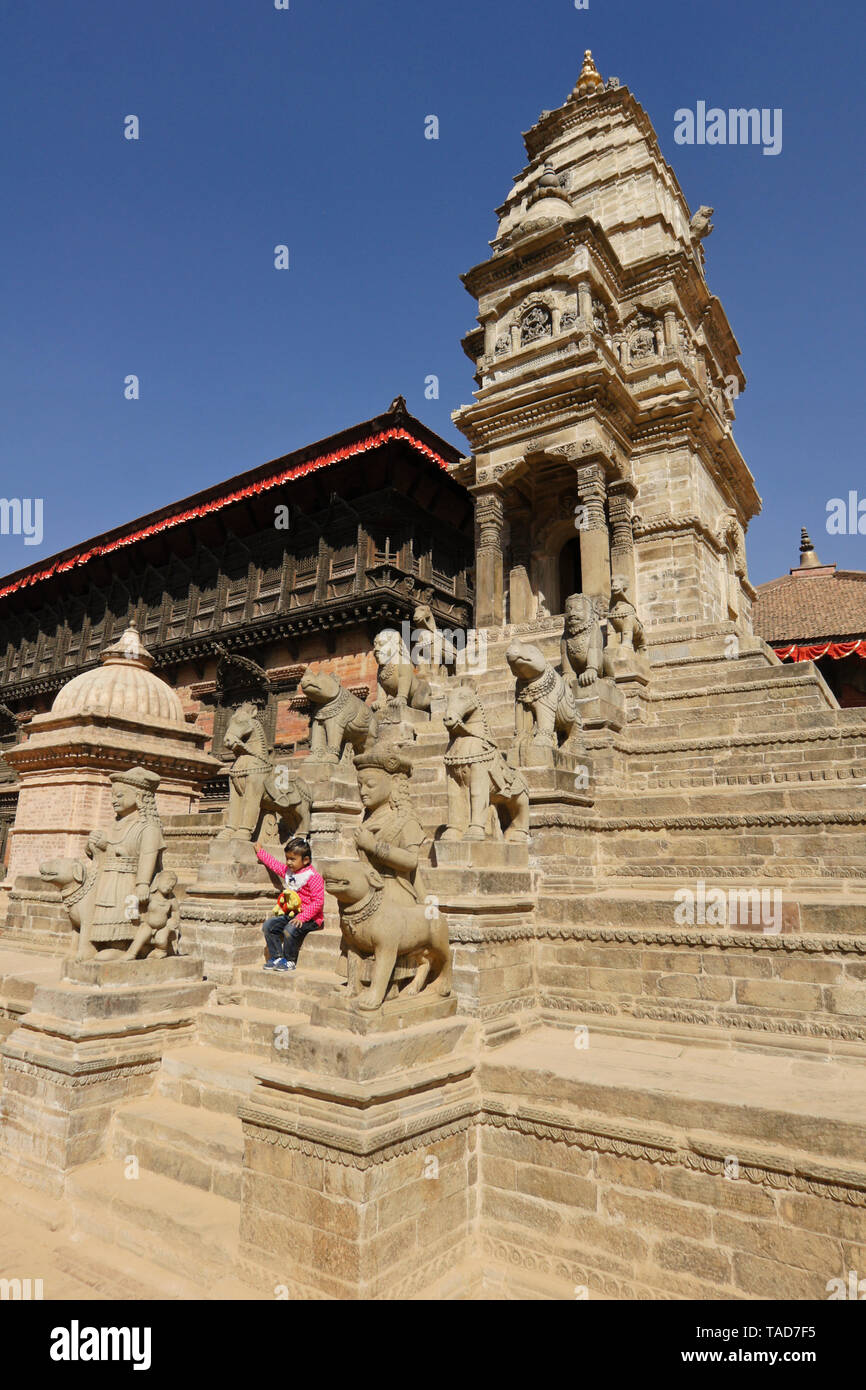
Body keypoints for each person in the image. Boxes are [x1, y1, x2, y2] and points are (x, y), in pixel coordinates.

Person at [256, 837, 325, 972]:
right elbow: (274, 865)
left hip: (310, 918)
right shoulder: (289, 872)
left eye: (293, 859)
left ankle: (289, 960)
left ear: (305, 860)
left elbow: (318, 902)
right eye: (287, 858)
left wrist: (302, 917)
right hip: (291, 914)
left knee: (289, 929)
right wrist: (260, 852)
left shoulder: (313, 877)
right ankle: (276, 957)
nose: (288, 862)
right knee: (268, 926)